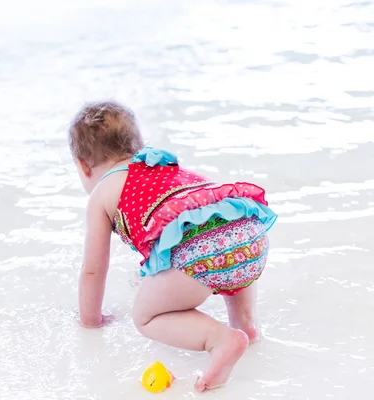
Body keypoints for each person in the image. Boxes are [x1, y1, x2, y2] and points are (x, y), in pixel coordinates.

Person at [68, 100, 277, 392]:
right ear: (137, 145)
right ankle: (246, 327)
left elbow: (93, 270)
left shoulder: (102, 192)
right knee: (222, 237)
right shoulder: (164, 166)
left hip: (201, 250)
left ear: (83, 165)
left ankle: (220, 339)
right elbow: (207, 216)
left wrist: (90, 321)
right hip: (249, 233)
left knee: (146, 316)